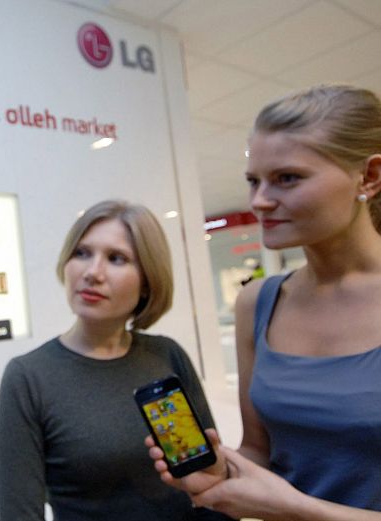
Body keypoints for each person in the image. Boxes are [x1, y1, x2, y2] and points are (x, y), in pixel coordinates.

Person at [147, 84, 381, 520]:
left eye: (287, 178)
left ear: (368, 177)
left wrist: (298, 509)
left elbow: (287, 503)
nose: (260, 201)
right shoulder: (258, 303)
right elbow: (260, 451)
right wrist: (221, 472)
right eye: (254, 181)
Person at [0, 200, 229, 520]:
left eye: (116, 258)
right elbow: (18, 514)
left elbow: (213, 486)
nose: (93, 273)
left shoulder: (166, 355)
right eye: (82, 253)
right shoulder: (28, 376)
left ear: (148, 280)